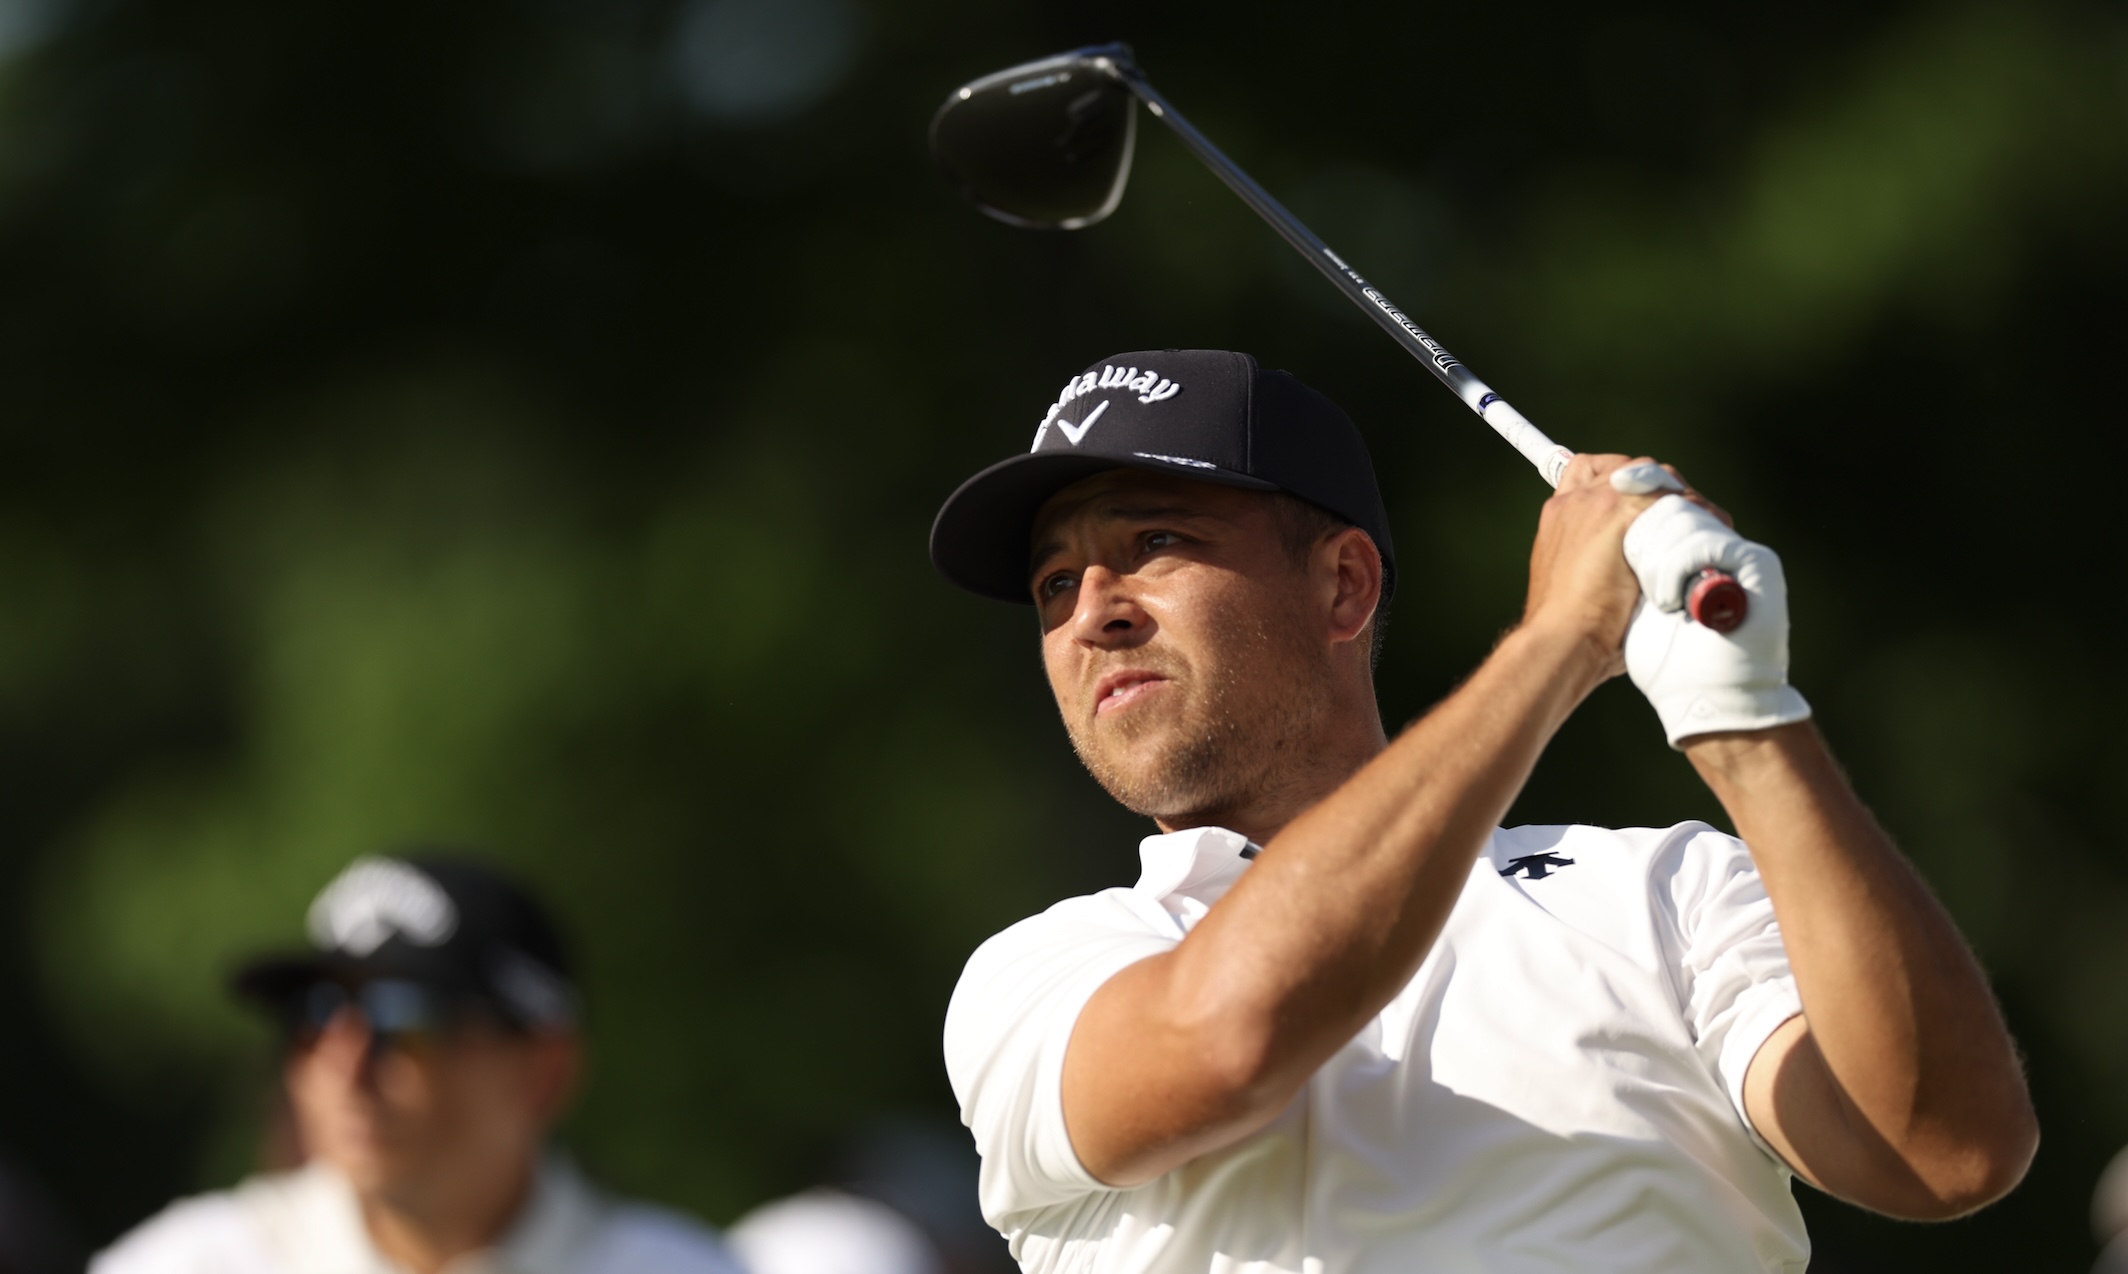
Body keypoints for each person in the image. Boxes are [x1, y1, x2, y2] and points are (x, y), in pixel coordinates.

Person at [930, 350, 2037, 1271]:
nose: (1091, 614)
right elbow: (1230, 1038)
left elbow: (1941, 1147)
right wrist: (1560, 639)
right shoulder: (1049, 967)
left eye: (1152, 544)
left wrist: (1741, 710)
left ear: (1343, 586)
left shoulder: (1661, 891)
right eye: (1053, 585)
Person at [92, 852, 742, 1274]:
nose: (344, 1067)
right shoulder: (191, 1262)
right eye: (314, 1015)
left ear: (543, 1070)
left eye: (404, 1018)